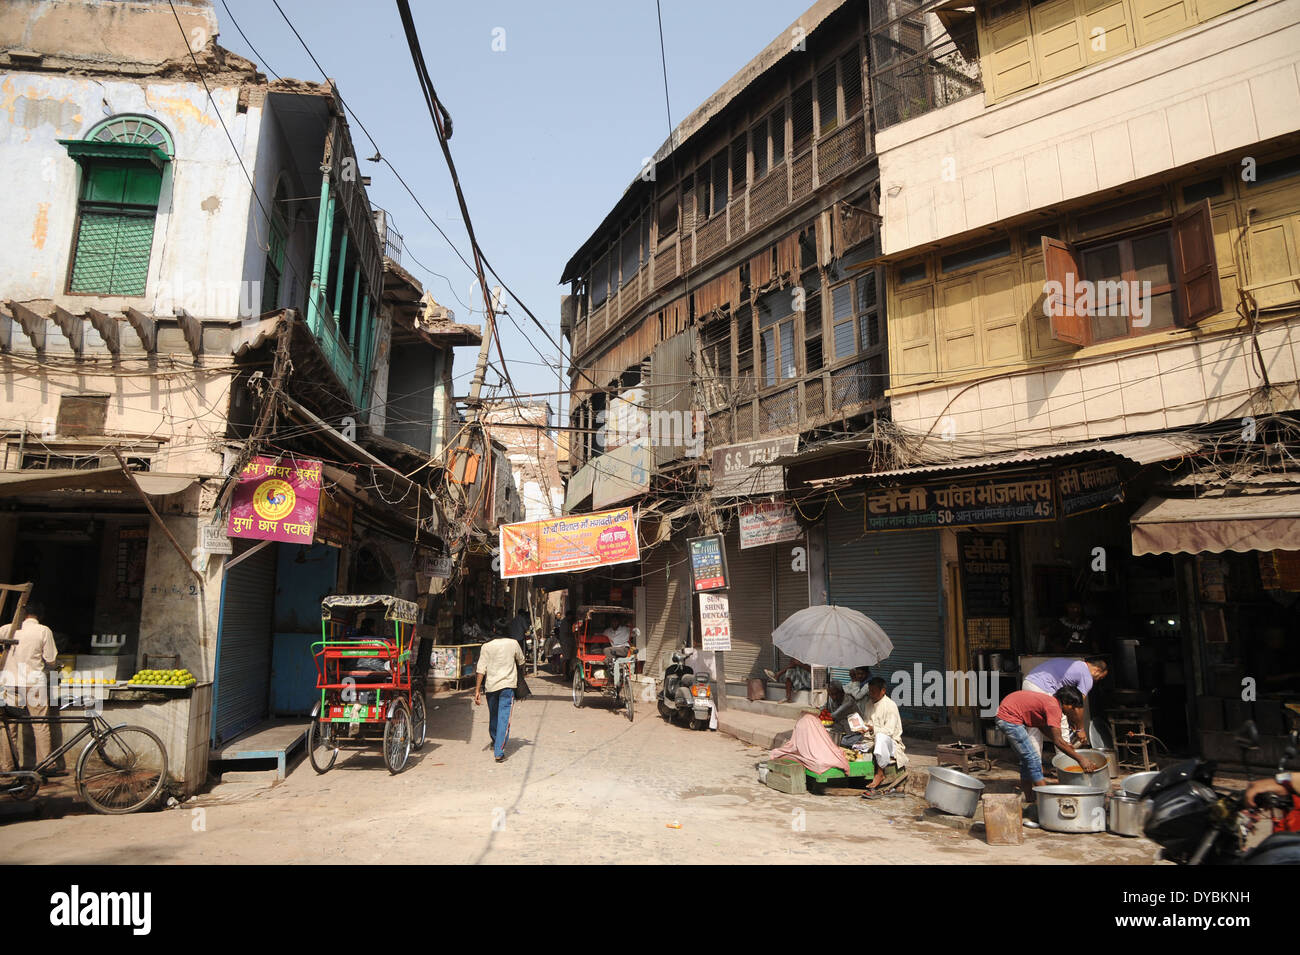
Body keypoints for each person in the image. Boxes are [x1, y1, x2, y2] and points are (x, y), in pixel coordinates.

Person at [995, 686, 1102, 795]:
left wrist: (1064, 744)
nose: (1073, 712)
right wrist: (1081, 759)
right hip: (1008, 717)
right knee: (1032, 758)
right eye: (1073, 708)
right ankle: (1047, 798)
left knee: (1026, 761)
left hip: (1007, 714)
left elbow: (1042, 727)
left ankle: (1029, 798)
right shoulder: (1053, 707)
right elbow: (1058, 741)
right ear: (1066, 703)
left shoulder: (1051, 703)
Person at [0, 602, 61, 776]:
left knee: (8, 725)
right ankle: (46, 766)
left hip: (10, 682)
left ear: (22, 614)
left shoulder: (7, 629)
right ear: (39, 616)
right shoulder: (43, 630)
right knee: (40, 724)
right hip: (34, 682)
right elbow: (50, 659)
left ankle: (8, 767)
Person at [1022, 656, 1109, 752]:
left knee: (1034, 726)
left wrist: (1073, 722)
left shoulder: (1073, 663)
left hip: (1028, 683)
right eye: (1100, 678)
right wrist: (1080, 729)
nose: (1097, 681)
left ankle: (1034, 765)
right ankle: (1064, 762)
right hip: (1043, 688)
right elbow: (1076, 705)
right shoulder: (1087, 676)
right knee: (1061, 722)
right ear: (1097, 670)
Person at [474, 633, 525, 762]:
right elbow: (522, 661)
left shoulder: (486, 646)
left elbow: (481, 669)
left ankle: (495, 741)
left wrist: (477, 690)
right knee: (504, 718)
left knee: (494, 715)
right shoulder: (513, 643)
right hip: (507, 686)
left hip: (490, 686)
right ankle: (499, 751)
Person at [861, 677, 908, 791]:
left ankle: (880, 773)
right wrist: (862, 728)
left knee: (881, 737)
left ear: (883, 691)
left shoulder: (890, 705)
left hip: (890, 743)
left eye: (874, 691)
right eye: (870, 691)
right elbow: (867, 723)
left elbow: (889, 731)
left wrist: (872, 728)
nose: (871, 694)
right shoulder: (868, 704)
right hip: (870, 740)